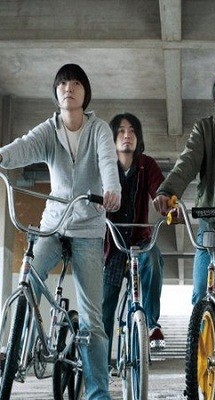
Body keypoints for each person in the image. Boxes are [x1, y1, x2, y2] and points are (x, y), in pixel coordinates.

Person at [0, 63, 121, 399]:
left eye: (76, 83)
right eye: (63, 83)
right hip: (53, 224)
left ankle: (98, 393)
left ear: (85, 92)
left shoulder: (98, 130)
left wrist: (112, 190)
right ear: (56, 93)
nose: (69, 88)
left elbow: (108, 162)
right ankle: (22, 348)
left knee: (92, 318)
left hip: (87, 226)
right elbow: (22, 147)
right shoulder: (49, 130)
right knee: (30, 277)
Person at [152, 64, 215, 305]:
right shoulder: (204, 129)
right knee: (200, 294)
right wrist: (168, 191)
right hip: (209, 230)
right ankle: (204, 326)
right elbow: (186, 163)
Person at [102, 112, 165, 370]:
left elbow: (159, 187)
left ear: (138, 138)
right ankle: (102, 363)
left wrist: (163, 199)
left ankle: (150, 324)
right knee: (106, 304)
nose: (126, 135)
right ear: (113, 137)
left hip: (139, 242)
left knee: (154, 259)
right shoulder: (105, 165)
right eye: (120, 131)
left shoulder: (146, 165)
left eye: (132, 131)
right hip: (112, 246)